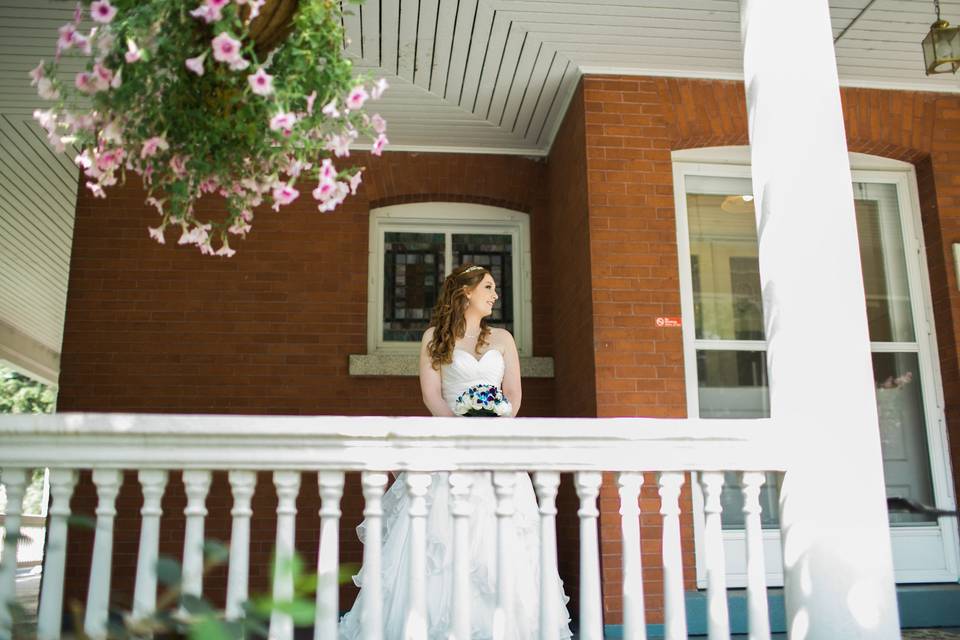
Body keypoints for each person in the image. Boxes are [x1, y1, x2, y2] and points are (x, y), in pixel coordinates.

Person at [339, 264, 572, 640]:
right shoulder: (434, 338)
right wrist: (459, 429)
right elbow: (431, 395)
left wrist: (495, 422)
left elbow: (513, 394)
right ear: (465, 292)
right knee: (439, 542)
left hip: (497, 449)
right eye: (489, 287)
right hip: (449, 445)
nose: (495, 295)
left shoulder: (503, 339)